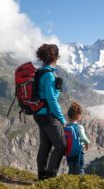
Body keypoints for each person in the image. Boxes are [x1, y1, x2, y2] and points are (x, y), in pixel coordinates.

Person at [33, 44, 67, 180]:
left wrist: (56, 88)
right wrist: (62, 119)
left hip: (38, 114)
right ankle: (51, 177)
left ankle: (42, 175)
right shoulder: (49, 75)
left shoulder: (40, 72)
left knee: (45, 146)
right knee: (61, 145)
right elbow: (51, 99)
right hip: (48, 115)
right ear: (55, 57)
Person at [66, 101, 90, 175]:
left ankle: (69, 183)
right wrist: (87, 143)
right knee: (79, 169)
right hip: (79, 153)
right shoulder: (79, 127)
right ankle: (80, 185)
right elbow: (83, 137)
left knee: (71, 169)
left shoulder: (66, 127)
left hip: (69, 152)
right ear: (78, 115)